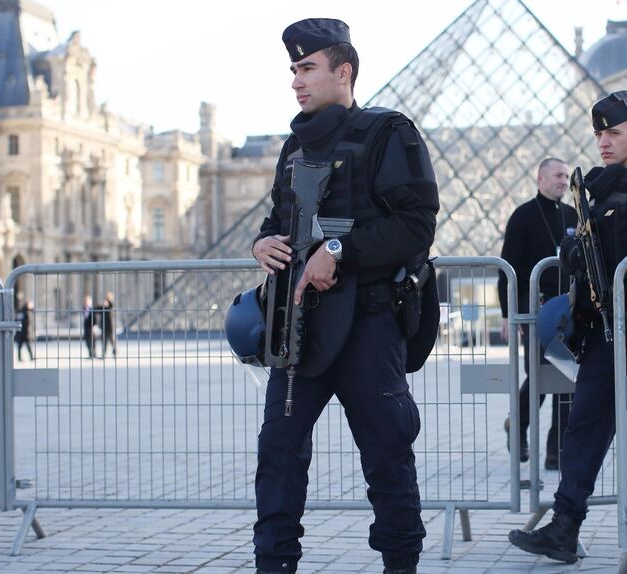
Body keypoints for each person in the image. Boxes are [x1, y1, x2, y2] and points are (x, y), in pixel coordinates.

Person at [249, 18, 438, 574]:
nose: (296, 81)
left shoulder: (389, 134)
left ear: (344, 71)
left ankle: (401, 565)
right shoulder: (292, 146)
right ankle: (273, 565)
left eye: (307, 68)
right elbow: (279, 218)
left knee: (386, 456)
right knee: (278, 455)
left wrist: (340, 250)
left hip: (369, 325)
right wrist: (262, 241)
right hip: (297, 325)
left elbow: (416, 226)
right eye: (293, 70)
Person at [508, 91, 627, 567]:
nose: (604, 142)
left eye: (614, 132)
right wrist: (574, 255)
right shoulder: (601, 190)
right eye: (599, 134)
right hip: (602, 335)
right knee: (582, 432)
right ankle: (564, 530)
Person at [497, 157, 577, 470]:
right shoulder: (523, 216)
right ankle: (517, 425)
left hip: (571, 310)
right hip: (537, 309)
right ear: (541, 178)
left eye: (566, 176)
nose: (563, 180)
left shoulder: (573, 215)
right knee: (542, 374)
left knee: (568, 376)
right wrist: (508, 312)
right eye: (558, 175)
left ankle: (557, 450)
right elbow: (507, 268)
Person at [99, 292, 117, 358]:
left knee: (112, 340)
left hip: (110, 325)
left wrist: (107, 305)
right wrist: (103, 305)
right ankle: (104, 353)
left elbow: (111, 308)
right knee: (104, 340)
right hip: (104, 325)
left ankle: (114, 351)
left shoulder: (111, 305)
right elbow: (98, 309)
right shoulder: (103, 305)